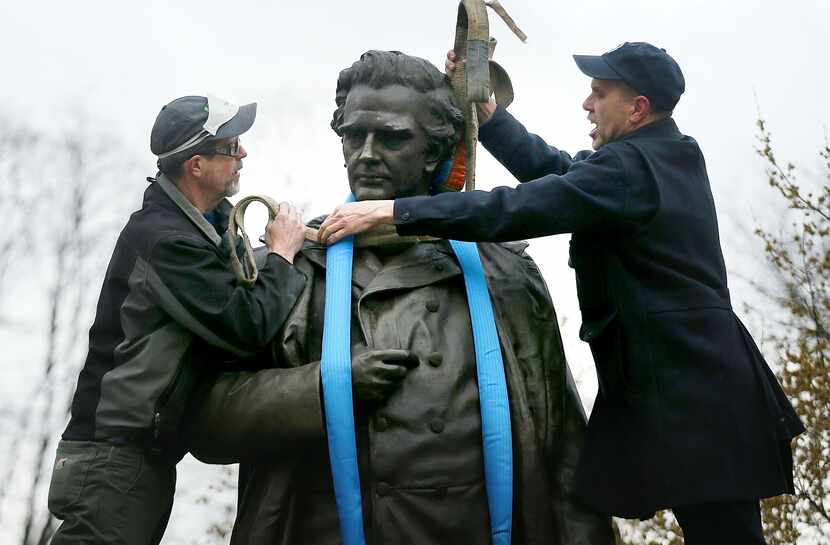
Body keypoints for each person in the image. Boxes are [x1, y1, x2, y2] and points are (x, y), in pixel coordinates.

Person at [318, 43, 805, 544]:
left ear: (637, 109)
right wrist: (488, 115)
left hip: (693, 400)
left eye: (599, 93)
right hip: (691, 391)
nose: (586, 104)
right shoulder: (658, 156)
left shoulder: (630, 169)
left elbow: (525, 206)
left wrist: (395, 213)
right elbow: (557, 172)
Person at [187, 51, 614, 545]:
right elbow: (204, 419)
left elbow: (561, 444)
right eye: (353, 136)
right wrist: (327, 388)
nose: (366, 154)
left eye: (392, 138)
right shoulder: (288, 267)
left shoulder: (506, 272)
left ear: (433, 152)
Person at [46, 94, 309, 545]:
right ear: (196, 165)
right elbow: (246, 325)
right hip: (114, 460)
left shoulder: (199, 232)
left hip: (131, 461)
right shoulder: (167, 242)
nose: (243, 153)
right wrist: (282, 256)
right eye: (230, 146)